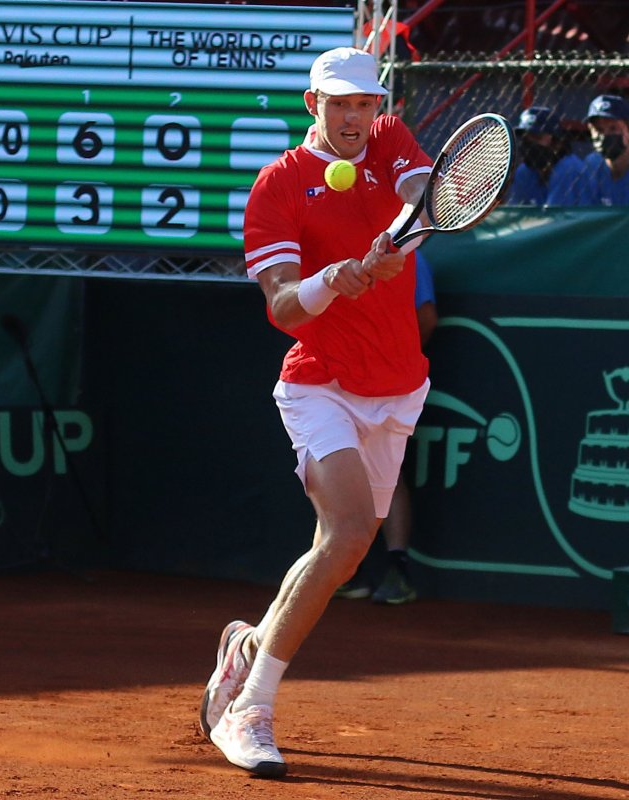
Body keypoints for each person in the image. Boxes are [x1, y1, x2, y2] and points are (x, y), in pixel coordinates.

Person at [198, 47, 433, 779]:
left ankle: (247, 645)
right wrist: (338, 276)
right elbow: (283, 305)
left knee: (342, 554)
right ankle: (249, 710)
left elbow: (427, 196)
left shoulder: (389, 138)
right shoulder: (279, 184)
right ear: (313, 105)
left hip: (398, 385)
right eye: (340, 104)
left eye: (364, 102)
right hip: (320, 383)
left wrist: (403, 234)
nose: (355, 117)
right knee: (349, 532)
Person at [335, 248, 438, 604]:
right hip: (337, 381)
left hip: (388, 386)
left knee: (387, 473)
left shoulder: (411, 257)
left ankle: (397, 568)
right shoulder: (336, 251)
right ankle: (346, 569)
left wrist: (394, 360)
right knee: (336, 471)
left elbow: (426, 317)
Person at [505, 106, 586, 206]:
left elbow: (557, 214)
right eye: (526, 138)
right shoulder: (524, 171)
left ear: (556, 140)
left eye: (537, 137)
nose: (530, 143)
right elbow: (516, 210)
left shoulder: (569, 167)